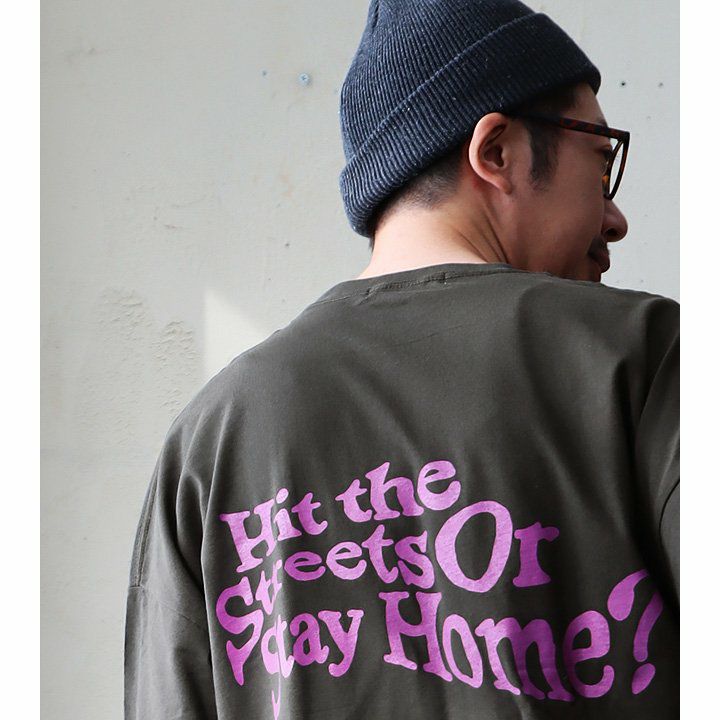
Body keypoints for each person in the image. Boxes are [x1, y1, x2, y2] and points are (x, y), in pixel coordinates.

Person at [124, 1, 679, 718]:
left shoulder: (210, 439)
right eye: (601, 160)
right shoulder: (648, 355)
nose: (615, 217)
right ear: (497, 152)